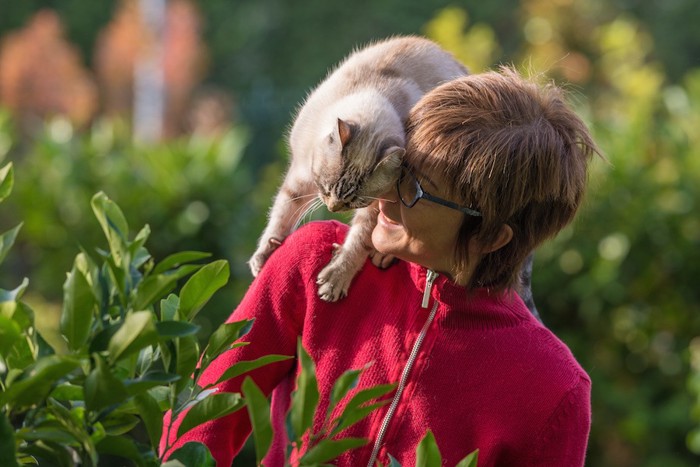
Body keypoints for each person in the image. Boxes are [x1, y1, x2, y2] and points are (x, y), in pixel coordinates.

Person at [160, 66, 601, 467]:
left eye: (414, 190)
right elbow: (204, 412)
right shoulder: (314, 261)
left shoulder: (552, 387)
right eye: (396, 171)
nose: (383, 196)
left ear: (489, 236)